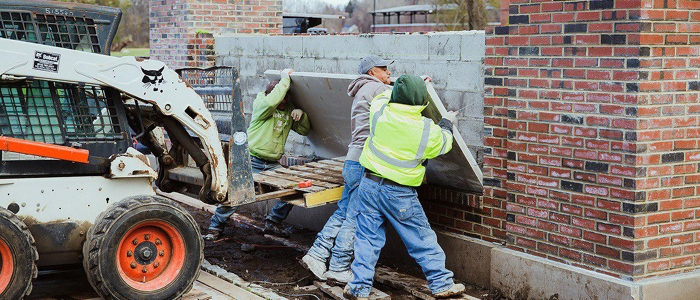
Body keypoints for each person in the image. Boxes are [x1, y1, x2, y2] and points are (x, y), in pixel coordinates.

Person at [343, 75, 465, 299]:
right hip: (399, 193)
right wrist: (447, 121)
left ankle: (359, 287)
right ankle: (441, 284)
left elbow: (385, 95)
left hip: (369, 185)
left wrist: (407, 84)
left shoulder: (379, 111)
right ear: (421, 103)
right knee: (421, 239)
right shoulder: (426, 130)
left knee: (366, 239)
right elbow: (445, 142)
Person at [300, 56, 393, 282]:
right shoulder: (379, 89)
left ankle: (317, 254)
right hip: (366, 161)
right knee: (355, 215)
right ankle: (339, 266)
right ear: (372, 72)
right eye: (384, 69)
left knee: (344, 211)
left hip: (352, 160)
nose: (389, 73)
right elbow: (404, 103)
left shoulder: (363, 89)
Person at [204, 68, 311, 240]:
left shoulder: (288, 110)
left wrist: (302, 114)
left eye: (285, 97)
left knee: (291, 190)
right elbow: (270, 103)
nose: (282, 100)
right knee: (238, 194)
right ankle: (215, 227)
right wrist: (285, 79)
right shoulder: (262, 104)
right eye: (280, 96)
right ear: (271, 94)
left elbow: (305, 130)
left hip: (272, 163)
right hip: (251, 161)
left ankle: (273, 223)